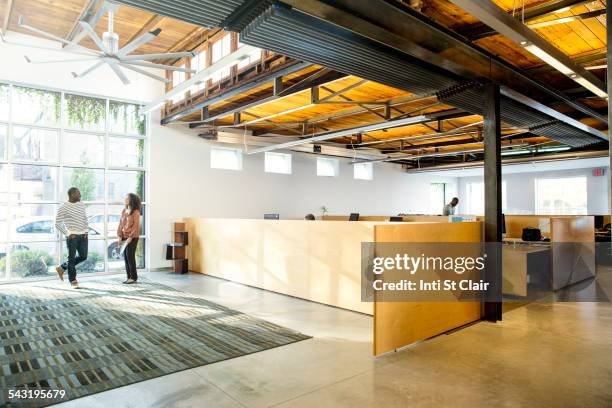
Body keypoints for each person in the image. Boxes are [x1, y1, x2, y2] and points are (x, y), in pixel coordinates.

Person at [54, 187, 88, 288]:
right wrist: (67, 233)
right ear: (72, 195)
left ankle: (62, 268)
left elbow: (85, 218)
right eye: (78, 193)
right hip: (72, 236)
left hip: (83, 235)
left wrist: (86, 230)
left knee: (83, 256)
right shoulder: (63, 207)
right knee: (72, 259)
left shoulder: (81, 204)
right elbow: (57, 223)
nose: (80, 195)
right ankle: (73, 281)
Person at [117, 193, 141, 284]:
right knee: (126, 257)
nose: (125, 199)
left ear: (131, 200)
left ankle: (134, 277)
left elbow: (136, 226)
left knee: (130, 256)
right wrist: (119, 236)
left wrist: (130, 237)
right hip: (124, 236)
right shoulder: (124, 210)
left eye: (127, 198)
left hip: (133, 237)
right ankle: (129, 277)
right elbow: (120, 224)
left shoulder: (136, 212)